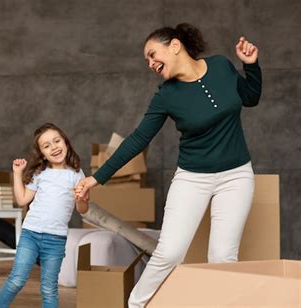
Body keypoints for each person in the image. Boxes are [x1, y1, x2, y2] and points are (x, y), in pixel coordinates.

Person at [75, 23, 261, 307]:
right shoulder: (166, 95)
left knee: (223, 257)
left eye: (152, 54)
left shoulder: (222, 66)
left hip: (236, 176)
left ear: (175, 46)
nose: (150, 63)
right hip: (192, 178)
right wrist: (95, 179)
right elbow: (137, 138)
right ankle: (136, 305)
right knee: (170, 252)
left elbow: (250, 97)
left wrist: (252, 65)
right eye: (146, 60)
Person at [0, 122, 88, 308]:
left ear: (66, 143)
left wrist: (82, 197)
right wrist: (17, 173)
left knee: (48, 288)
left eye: (56, 141)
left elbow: (82, 209)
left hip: (56, 240)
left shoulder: (77, 175)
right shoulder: (40, 173)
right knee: (17, 280)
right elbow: (22, 200)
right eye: (47, 145)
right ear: (42, 153)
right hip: (31, 234)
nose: (54, 147)